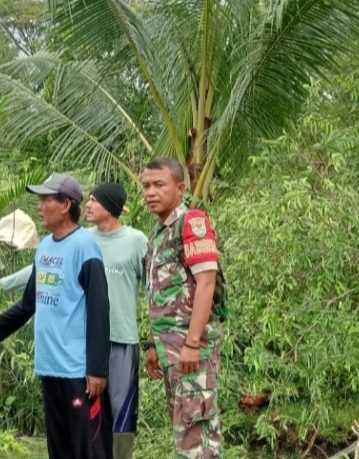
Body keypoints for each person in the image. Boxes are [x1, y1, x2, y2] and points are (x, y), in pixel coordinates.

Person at [0, 182, 146, 459]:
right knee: (60, 448)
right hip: (50, 366)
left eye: (46, 201)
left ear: (66, 205)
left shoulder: (85, 247)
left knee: (90, 449)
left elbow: (100, 311)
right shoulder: (45, 248)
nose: (40, 208)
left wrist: (98, 370)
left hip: (78, 370)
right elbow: (30, 303)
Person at [141, 158, 225, 458]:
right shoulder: (159, 232)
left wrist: (191, 343)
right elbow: (160, 293)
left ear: (180, 188)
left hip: (192, 348)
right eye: (146, 186)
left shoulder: (192, 222)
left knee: (197, 430)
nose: (150, 192)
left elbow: (206, 284)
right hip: (171, 350)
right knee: (183, 430)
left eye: (159, 185)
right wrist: (153, 345)